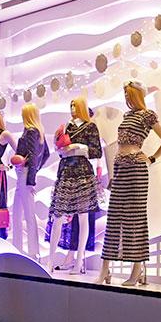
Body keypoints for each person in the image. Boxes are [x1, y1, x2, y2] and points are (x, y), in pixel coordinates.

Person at [96, 80, 161, 286]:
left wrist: (152, 158)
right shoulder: (127, 116)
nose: (127, 98)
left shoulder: (147, 116)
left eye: (129, 95)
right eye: (126, 95)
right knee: (113, 219)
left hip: (137, 169)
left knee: (134, 218)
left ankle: (137, 267)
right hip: (120, 167)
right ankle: (105, 269)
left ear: (137, 95)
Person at [47, 97, 102, 274]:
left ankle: (79, 261)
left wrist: (78, 147)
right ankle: (49, 260)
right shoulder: (66, 127)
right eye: (70, 105)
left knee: (83, 217)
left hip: (83, 173)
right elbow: (59, 149)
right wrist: (63, 149)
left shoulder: (90, 126)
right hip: (65, 172)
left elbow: (96, 151)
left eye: (75, 105)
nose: (72, 108)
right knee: (57, 215)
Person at [12, 103, 50, 260]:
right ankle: (19, 249)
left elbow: (35, 156)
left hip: (25, 176)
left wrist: (31, 179)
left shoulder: (31, 132)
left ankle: (32, 252)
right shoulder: (37, 131)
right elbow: (46, 154)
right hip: (24, 175)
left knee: (26, 214)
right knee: (18, 214)